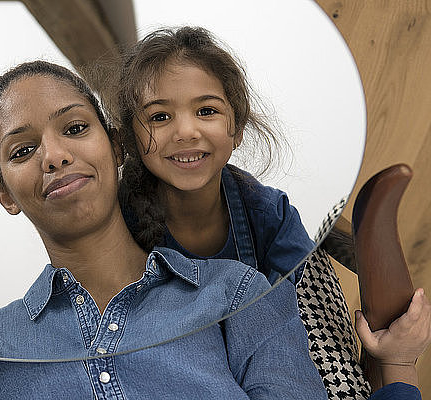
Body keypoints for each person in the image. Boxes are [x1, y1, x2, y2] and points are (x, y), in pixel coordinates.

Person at [0, 60, 328, 399]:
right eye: (23, 151)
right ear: (5, 195)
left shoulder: (236, 293)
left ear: (116, 147)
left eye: (75, 128)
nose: (55, 156)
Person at [112, 26, 429, 398]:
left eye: (206, 110)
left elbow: (308, 320)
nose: (186, 131)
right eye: (160, 117)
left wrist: (393, 361)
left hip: (271, 349)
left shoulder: (265, 211)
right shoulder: (119, 222)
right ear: (131, 138)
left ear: (238, 128)